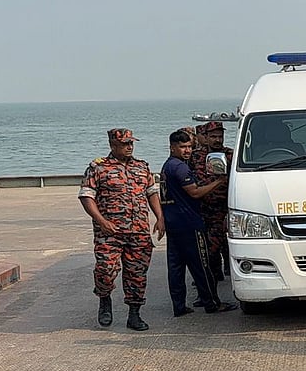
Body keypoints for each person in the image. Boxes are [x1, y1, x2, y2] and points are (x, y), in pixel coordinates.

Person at [78, 128, 165, 331]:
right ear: (112, 145)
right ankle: (104, 298)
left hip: (139, 231)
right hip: (110, 232)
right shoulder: (98, 168)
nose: (129, 147)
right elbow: (86, 196)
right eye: (125, 144)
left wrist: (160, 217)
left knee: (137, 274)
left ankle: (134, 315)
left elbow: (152, 193)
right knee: (105, 270)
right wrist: (101, 221)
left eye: (131, 143)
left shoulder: (142, 167)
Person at [160, 129, 235, 316]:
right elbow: (195, 192)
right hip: (189, 223)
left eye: (189, 147)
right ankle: (211, 303)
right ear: (172, 147)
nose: (187, 150)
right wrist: (219, 181)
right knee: (202, 264)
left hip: (173, 222)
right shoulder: (180, 168)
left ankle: (178, 306)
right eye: (182, 147)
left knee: (176, 267)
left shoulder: (167, 166)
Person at [191, 121, 233, 281]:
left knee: (214, 248)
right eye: (213, 136)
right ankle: (213, 280)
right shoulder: (196, 156)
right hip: (201, 209)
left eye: (220, 136)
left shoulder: (230, 155)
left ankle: (214, 281)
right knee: (203, 251)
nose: (217, 140)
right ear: (206, 137)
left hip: (221, 210)